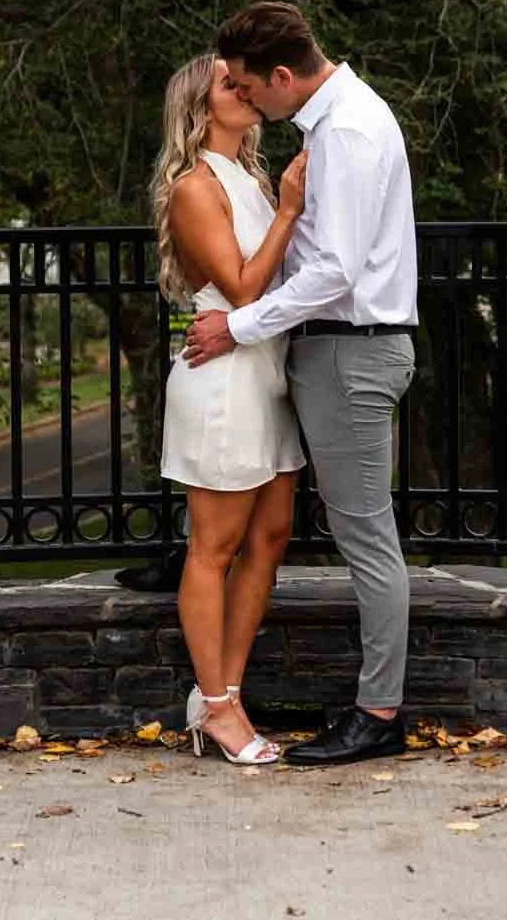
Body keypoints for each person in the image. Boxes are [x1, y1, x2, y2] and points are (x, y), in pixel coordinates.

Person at [185, 2, 419, 767]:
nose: (251, 102)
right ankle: (372, 706)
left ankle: (378, 713)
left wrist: (239, 327)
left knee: (365, 538)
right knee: (359, 532)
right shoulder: (335, 123)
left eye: (254, 89)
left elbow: (335, 271)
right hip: (337, 353)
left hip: (351, 354)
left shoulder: (346, 131)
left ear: (284, 76)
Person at [153, 53, 309, 764]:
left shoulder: (245, 176)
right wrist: (287, 209)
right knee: (213, 549)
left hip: (264, 374)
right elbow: (245, 291)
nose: (244, 89)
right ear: (199, 105)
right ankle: (216, 708)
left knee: (271, 537)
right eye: (228, 83)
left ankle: (227, 693)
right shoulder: (194, 187)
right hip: (220, 381)